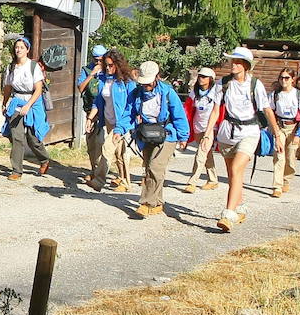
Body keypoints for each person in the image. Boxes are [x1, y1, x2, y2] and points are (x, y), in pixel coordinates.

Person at [214, 47, 278, 232]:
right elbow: (216, 110)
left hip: (250, 131)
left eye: (237, 61)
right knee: (233, 174)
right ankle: (240, 207)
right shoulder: (223, 83)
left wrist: (277, 135)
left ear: (245, 65)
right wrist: (210, 132)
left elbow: (267, 110)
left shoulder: (255, 85)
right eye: (232, 61)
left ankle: (228, 214)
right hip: (227, 132)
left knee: (236, 169)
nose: (233, 64)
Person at [127, 60, 189, 217]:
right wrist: (120, 129)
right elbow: (129, 113)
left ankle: (147, 202)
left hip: (168, 134)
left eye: (148, 83)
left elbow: (179, 115)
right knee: (149, 168)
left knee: (156, 167)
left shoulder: (168, 93)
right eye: (143, 83)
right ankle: (157, 204)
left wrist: (183, 136)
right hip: (146, 134)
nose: (145, 86)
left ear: (156, 78)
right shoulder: (137, 93)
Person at [1, 36, 51, 180]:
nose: (18, 50)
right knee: (16, 137)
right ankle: (17, 170)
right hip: (17, 102)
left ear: (27, 50)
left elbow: (38, 89)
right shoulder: (10, 67)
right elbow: (8, 87)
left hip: (33, 103)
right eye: (17, 47)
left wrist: (28, 105)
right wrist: (5, 103)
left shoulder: (33, 67)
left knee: (33, 138)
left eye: (22, 47)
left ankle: (44, 159)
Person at [90, 49, 135, 192]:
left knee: (107, 148)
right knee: (119, 153)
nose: (108, 68)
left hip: (121, 122)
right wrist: (91, 117)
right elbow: (98, 100)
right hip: (108, 120)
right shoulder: (103, 79)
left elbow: (132, 105)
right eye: (106, 65)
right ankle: (125, 181)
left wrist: (124, 125)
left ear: (118, 64)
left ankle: (99, 180)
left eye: (111, 65)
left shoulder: (127, 82)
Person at [182, 66, 221, 193]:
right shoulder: (195, 92)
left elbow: (217, 111)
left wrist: (210, 131)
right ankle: (213, 179)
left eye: (204, 77)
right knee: (206, 153)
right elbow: (189, 108)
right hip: (197, 126)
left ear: (211, 79)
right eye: (200, 76)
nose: (201, 79)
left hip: (210, 127)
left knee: (201, 153)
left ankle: (192, 182)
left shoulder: (216, 92)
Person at [270, 70, 300, 196]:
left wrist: (299, 134)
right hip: (280, 126)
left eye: (287, 78)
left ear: (292, 79)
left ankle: (286, 179)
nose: (283, 80)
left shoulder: (298, 95)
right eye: (281, 78)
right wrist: (273, 130)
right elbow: (270, 112)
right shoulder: (275, 95)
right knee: (279, 156)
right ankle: (277, 186)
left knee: (290, 157)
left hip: (294, 127)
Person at [79, 44, 110, 187]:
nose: (98, 63)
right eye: (96, 60)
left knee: (102, 142)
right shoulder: (86, 70)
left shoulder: (109, 70)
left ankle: (101, 174)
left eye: (100, 60)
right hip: (90, 111)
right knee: (91, 143)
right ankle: (94, 170)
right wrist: (91, 74)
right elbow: (80, 88)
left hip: (105, 112)